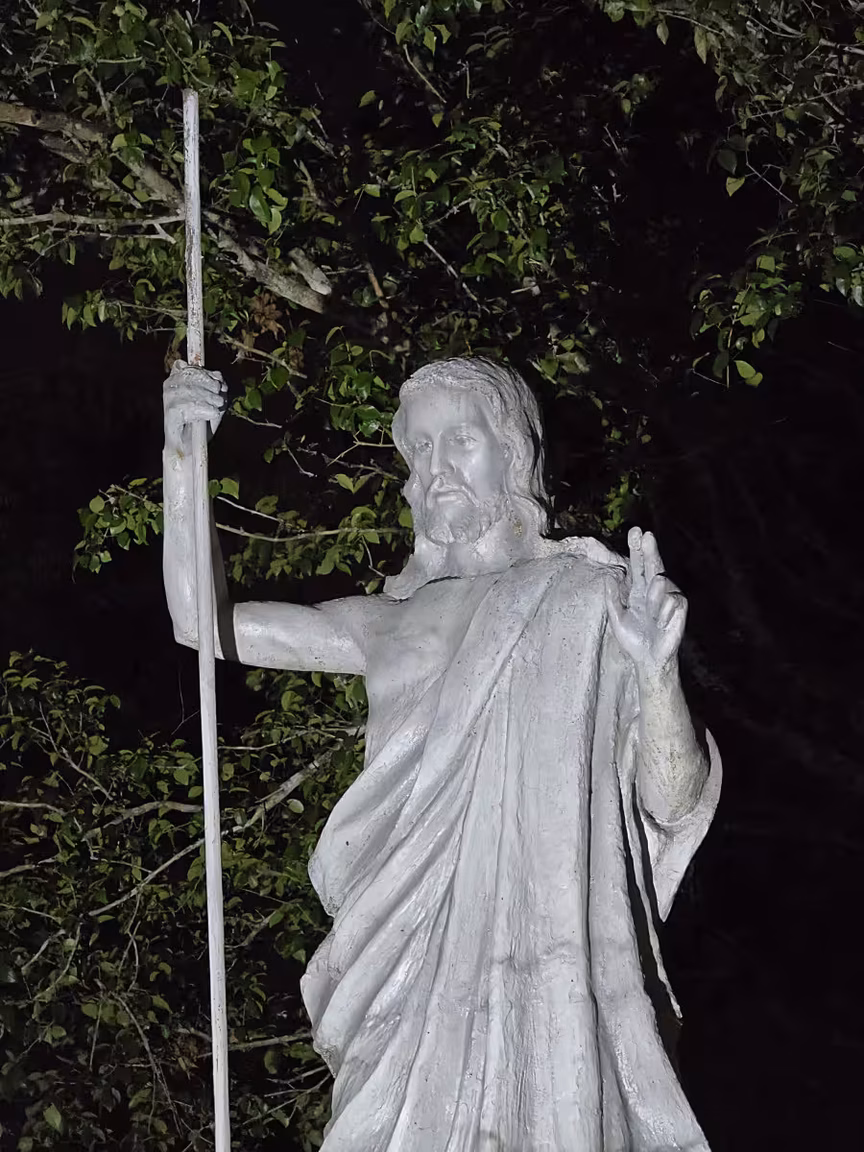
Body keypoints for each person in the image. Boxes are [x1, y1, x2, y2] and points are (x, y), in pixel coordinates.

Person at [163, 356, 721, 1151]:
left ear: (514, 453)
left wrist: (657, 673)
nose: (436, 467)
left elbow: (673, 803)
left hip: (555, 977)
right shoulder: (384, 621)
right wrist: (182, 453)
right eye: (419, 449)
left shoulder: (590, 598)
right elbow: (199, 621)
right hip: (402, 972)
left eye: (460, 439)